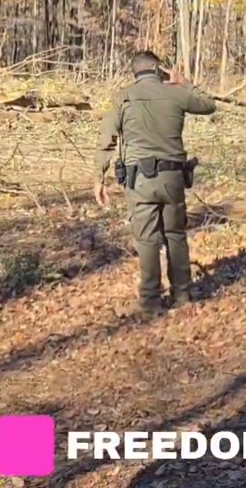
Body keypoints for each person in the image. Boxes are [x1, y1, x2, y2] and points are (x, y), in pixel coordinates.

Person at [93, 52, 216, 315]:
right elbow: (208, 104)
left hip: (139, 180)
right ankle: (182, 294)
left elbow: (107, 139)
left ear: (134, 72)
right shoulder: (175, 93)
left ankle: (150, 301)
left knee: (146, 239)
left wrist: (99, 178)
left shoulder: (123, 97)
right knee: (175, 234)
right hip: (173, 178)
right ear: (159, 69)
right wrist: (184, 82)